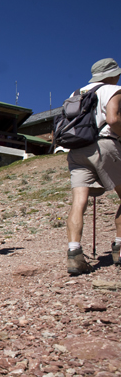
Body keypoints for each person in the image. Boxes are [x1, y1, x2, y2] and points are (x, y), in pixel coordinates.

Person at [65, 58, 121, 275]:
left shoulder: (76, 93)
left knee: (79, 201)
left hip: (77, 149)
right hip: (104, 144)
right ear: (112, 74)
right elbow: (113, 119)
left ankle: (74, 253)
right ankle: (118, 246)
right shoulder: (114, 90)